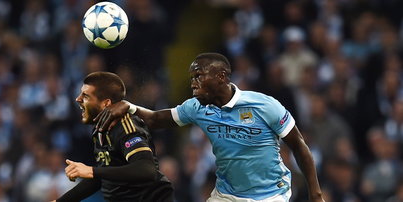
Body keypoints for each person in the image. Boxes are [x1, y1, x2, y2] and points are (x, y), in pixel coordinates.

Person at [95, 53, 324, 201]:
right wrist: (127, 106)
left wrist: (316, 193)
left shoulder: (264, 105)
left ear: (221, 77)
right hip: (226, 194)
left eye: (198, 76)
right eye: (191, 77)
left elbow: (299, 145)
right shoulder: (197, 107)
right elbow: (155, 119)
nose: (192, 83)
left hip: (270, 195)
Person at [53, 72, 174, 202]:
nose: (78, 99)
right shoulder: (100, 129)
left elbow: (146, 169)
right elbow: (103, 175)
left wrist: (91, 170)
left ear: (106, 104)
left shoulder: (126, 126)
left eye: (86, 96)